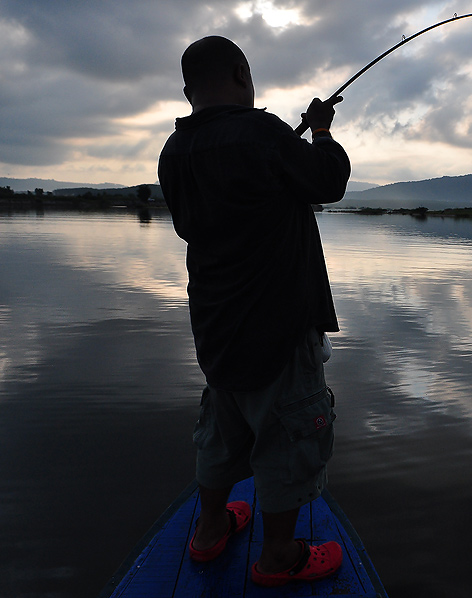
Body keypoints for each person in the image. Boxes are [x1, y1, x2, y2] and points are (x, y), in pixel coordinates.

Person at [157, 35, 351, 587]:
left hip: (215, 328)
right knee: (289, 438)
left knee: (220, 433)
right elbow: (328, 181)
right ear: (243, 75)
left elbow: (229, 204)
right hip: (279, 325)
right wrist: (320, 132)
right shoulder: (263, 133)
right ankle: (279, 558)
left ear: (189, 90)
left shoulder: (174, 153)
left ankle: (210, 530)